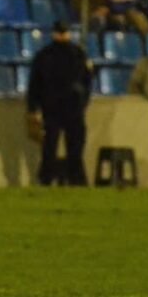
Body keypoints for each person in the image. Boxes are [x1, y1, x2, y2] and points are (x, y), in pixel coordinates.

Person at [27, 21, 93, 186]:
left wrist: (33, 108)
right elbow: (87, 82)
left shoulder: (44, 55)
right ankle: (75, 180)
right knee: (72, 149)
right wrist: (83, 102)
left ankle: (47, 179)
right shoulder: (78, 54)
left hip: (53, 107)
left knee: (51, 148)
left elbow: (34, 85)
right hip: (70, 107)